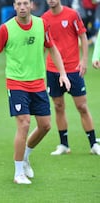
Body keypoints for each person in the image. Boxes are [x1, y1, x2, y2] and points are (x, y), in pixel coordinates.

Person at [0, 0, 71, 184]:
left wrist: (63, 74)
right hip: (16, 83)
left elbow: (52, 47)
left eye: (25, 3)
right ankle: (18, 172)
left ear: (32, 6)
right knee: (24, 123)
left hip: (38, 83)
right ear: (14, 6)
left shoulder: (41, 24)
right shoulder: (6, 29)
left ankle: (26, 155)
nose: (22, 7)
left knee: (45, 126)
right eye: (18, 3)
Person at [42, 0, 100, 155]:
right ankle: (64, 145)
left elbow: (83, 36)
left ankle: (93, 144)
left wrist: (84, 60)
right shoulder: (44, 19)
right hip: (53, 70)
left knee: (82, 106)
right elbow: (43, 44)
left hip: (73, 69)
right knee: (58, 107)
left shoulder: (72, 15)